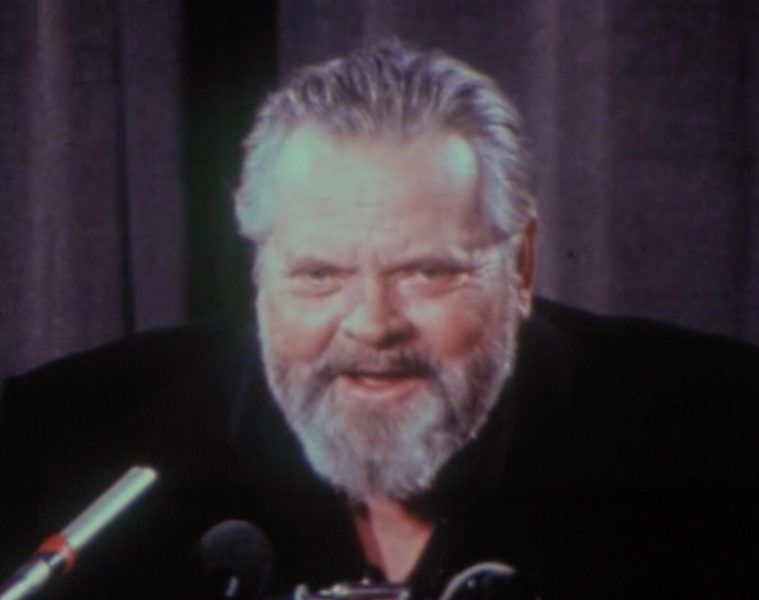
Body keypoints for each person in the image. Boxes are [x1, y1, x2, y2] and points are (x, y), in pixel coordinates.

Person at [1, 41, 758, 600]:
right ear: (260, 267)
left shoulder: (719, 435)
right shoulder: (59, 448)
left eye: (426, 271)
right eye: (319, 274)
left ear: (522, 264)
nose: (372, 323)